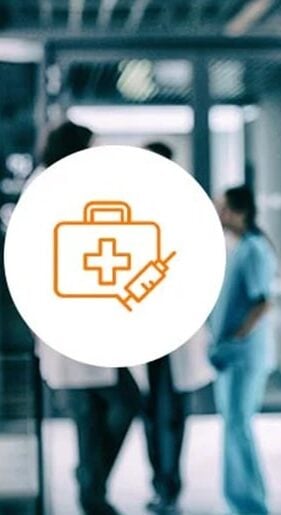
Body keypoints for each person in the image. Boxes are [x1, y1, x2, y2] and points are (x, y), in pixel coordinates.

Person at [34, 121, 142, 515]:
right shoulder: (49, 187)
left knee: (107, 410)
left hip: (90, 323)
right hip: (68, 323)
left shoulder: (72, 184)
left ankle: (91, 487)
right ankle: (91, 491)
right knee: (103, 410)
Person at [138, 141, 215, 514]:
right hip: (147, 332)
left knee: (166, 414)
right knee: (156, 413)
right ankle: (164, 483)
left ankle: (167, 486)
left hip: (174, 333)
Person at [208, 184, 276, 515]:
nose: (218, 214)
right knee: (234, 425)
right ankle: (242, 500)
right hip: (232, 354)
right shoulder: (239, 248)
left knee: (238, 425)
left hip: (244, 355)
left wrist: (235, 339)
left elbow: (262, 302)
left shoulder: (254, 249)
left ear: (238, 212)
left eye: (223, 208)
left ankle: (250, 504)